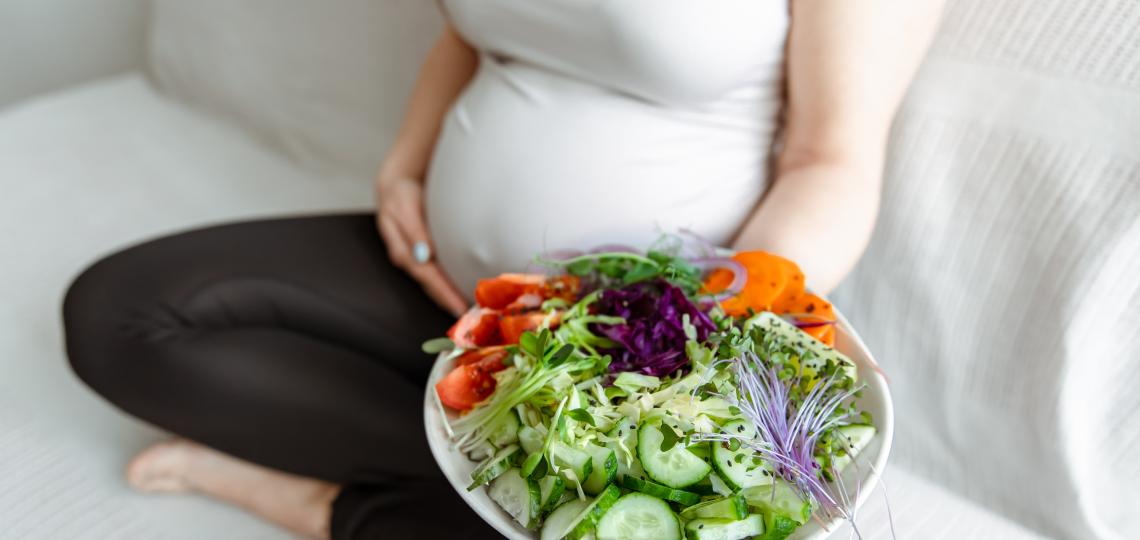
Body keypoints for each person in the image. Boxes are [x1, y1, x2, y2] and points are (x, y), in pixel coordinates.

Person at [62, 1, 942, 538]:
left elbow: (831, 160)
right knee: (118, 314)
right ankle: (485, 478)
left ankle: (328, 509)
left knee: (623, 521)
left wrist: (695, 327)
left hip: (631, 354)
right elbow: (478, 31)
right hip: (446, 282)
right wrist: (403, 166)